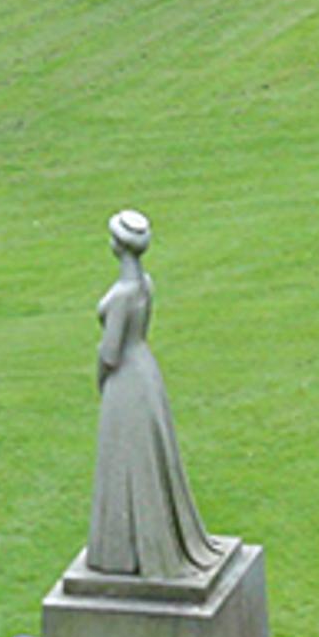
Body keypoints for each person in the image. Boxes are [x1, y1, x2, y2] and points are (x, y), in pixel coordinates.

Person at [86, 210, 221, 583]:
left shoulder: (121, 295)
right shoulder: (145, 283)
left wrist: (99, 379)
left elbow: (110, 353)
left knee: (127, 460)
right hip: (145, 370)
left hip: (126, 380)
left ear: (117, 245)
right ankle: (144, 543)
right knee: (148, 459)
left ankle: (124, 552)